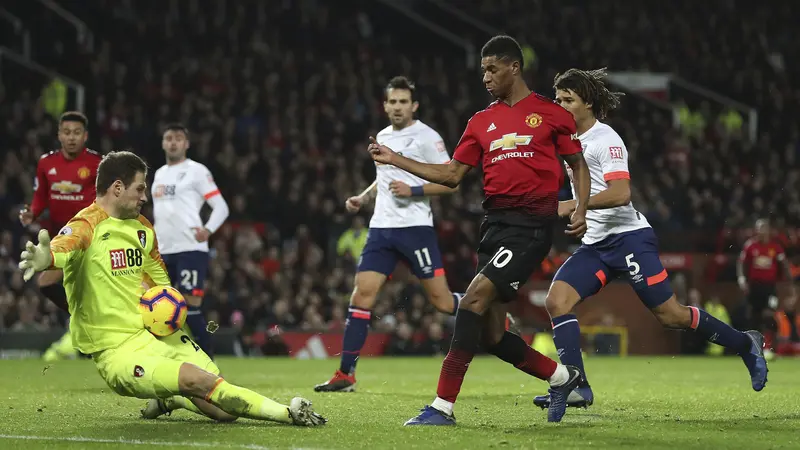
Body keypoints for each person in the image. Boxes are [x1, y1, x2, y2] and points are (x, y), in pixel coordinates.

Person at [368, 36, 591, 424]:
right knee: (491, 334)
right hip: (494, 228)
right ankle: (561, 377)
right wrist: (395, 158)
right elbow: (452, 175)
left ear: (514, 67)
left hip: (532, 228)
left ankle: (442, 406)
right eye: (482, 70)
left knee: (471, 301)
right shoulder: (480, 121)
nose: (485, 77)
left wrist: (582, 207)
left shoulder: (551, 114)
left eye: (492, 69)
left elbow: (578, 165)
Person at [18, 151, 325, 426]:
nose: (144, 197)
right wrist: (47, 258)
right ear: (117, 188)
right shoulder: (86, 224)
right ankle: (288, 413)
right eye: (140, 189)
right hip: (117, 353)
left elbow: (161, 283)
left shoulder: (142, 229)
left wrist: (166, 308)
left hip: (152, 334)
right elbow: (63, 246)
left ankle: (171, 397)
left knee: (223, 409)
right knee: (198, 382)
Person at [531, 68, 768, 410]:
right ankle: (576, 385)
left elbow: (621, 192)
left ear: (588, 103)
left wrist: (573, 205)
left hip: (629, 239)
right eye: (558, 99)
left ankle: (746, 344)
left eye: (568, 100)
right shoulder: (568, 141)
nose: (561, 105)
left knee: (671, 316)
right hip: (596, 246)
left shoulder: (605, 140)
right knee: (557, 301)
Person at [315, 76, 464, 392]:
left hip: (415, 229)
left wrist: (414, 190)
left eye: (403, 102)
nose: (397, 107)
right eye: (392, 102)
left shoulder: (427, 137)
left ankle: (488, 312)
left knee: (441, 301)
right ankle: (346, 375)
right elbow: (383, 177)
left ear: (414, 106)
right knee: (362, 294)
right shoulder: (382, 136)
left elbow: (453, 181)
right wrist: (364, 197)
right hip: (381, 229)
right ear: (385, 106)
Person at [19, 111, 102, 361]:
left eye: (77, 133)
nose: (72, 137)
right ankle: (86, 320)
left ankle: (94, 329)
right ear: (59, 135)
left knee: (91, 286)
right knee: (45, 283)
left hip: (89, 236)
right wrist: (31, 214)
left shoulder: (97, 163)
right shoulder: (46, 163)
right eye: (67, 132)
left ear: (85, 136)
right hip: (61, 237)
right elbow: (40, 196)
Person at [151, 123, 230, 357]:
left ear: (186, 144)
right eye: (169, 138)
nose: (173, 142)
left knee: (190, 306)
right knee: (159, 306)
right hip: (163, 250)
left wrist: (208, 229)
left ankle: (208, 360)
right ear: (163, 143)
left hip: (189, 248)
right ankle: (166, 359)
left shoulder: (197, 170)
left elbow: (221, 207)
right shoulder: (159, 174)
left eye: (178, 138)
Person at [737, 219, 796, 332]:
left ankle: (770, 344)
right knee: (754, 316)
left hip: (770, 287)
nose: (761, 231)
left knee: (770, 312)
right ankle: (756, 346)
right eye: (759, 229)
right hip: (755, 287)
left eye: (764, 228)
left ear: (768, 231)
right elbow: (741, 263)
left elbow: (784, 265)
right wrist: (742, 279)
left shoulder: (775, 247)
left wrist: (790, 283)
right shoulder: (750, 246)